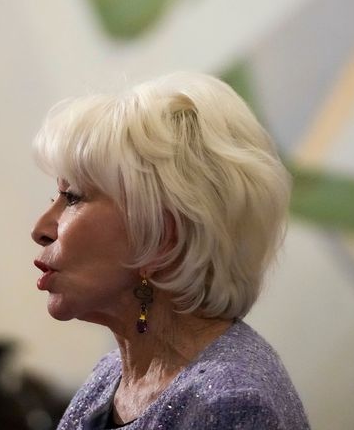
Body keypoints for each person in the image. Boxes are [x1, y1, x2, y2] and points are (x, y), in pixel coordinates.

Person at [31, 72, 309, 429]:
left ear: (162, 239)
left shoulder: (228, 406)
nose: (40, 229)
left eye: (72, 197)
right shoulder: (109, 379)